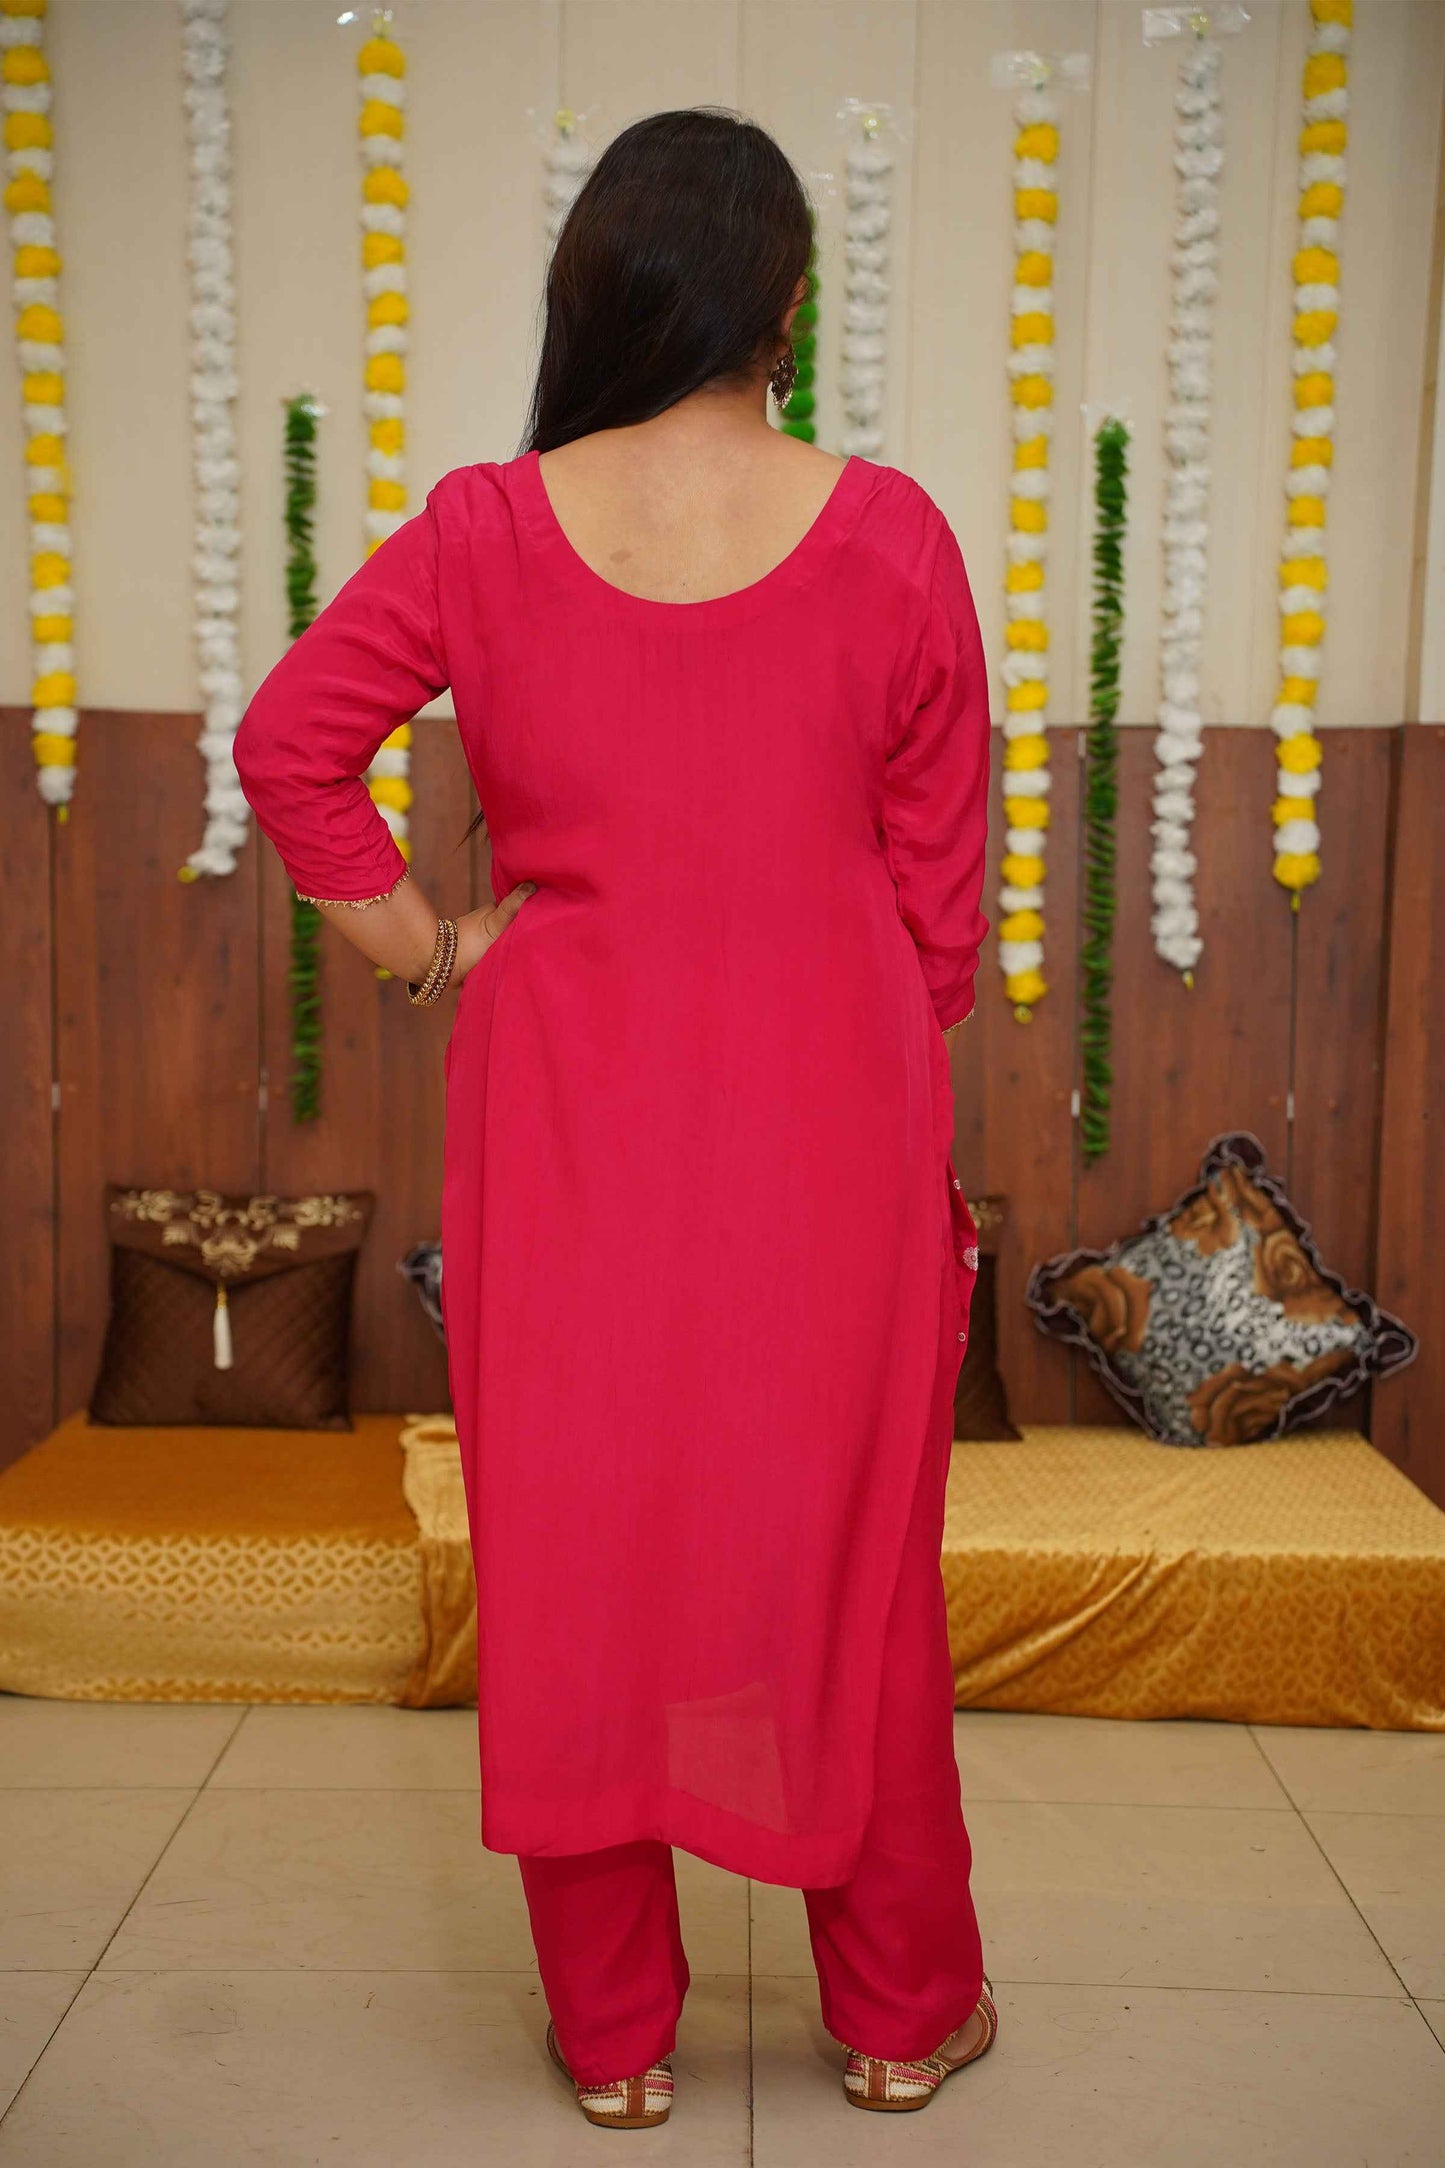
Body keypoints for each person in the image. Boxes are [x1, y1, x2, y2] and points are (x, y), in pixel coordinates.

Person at [234, 105, 995, 2128]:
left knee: (579, 1553)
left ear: (595, 289)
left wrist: (435, 953)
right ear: (786, 303)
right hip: (832, 1122)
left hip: (567, 1118)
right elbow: (940, 919)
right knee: (852, 1561)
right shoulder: (893, 537)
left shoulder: (488, 529)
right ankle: (899, 2012)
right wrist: (850, 1063)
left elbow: (292, 748)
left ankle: (616, 2045)